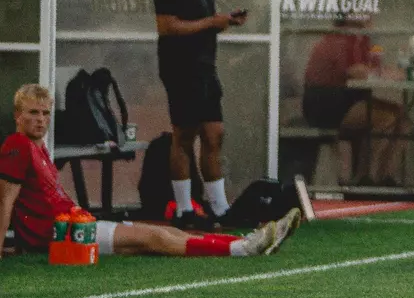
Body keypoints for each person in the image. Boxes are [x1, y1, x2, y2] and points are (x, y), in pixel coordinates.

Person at [1, 84, 298, 261]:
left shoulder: (35, 147)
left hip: (72, 228)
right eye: (32, 113)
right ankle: (243, 249)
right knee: (155, 236)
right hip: (64, 236)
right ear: (17, 116)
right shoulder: (17, 145)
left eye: (45, 113)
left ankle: (245, 241)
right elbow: (6, 200)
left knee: (166, 234)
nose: (40, 120)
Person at [153, 0, 245, 227]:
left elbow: (200, 21)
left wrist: (225, 21)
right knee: (184, 135)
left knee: (214, 134)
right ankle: (184, 208)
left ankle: (218, 206)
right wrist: (211, 23)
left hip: (205, 67)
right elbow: (167, 27)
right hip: (180, 67)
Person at [300, 16, 409, 185]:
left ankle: (385, 177)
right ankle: (365, 178)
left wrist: (389, 72)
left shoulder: (362, 39)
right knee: (386, 118)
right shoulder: (339, 39)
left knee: (403, 119)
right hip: (325, 104)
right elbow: (357, 72)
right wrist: (392, 74)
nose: (372, 16)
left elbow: (373, 68)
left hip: (349, 100)